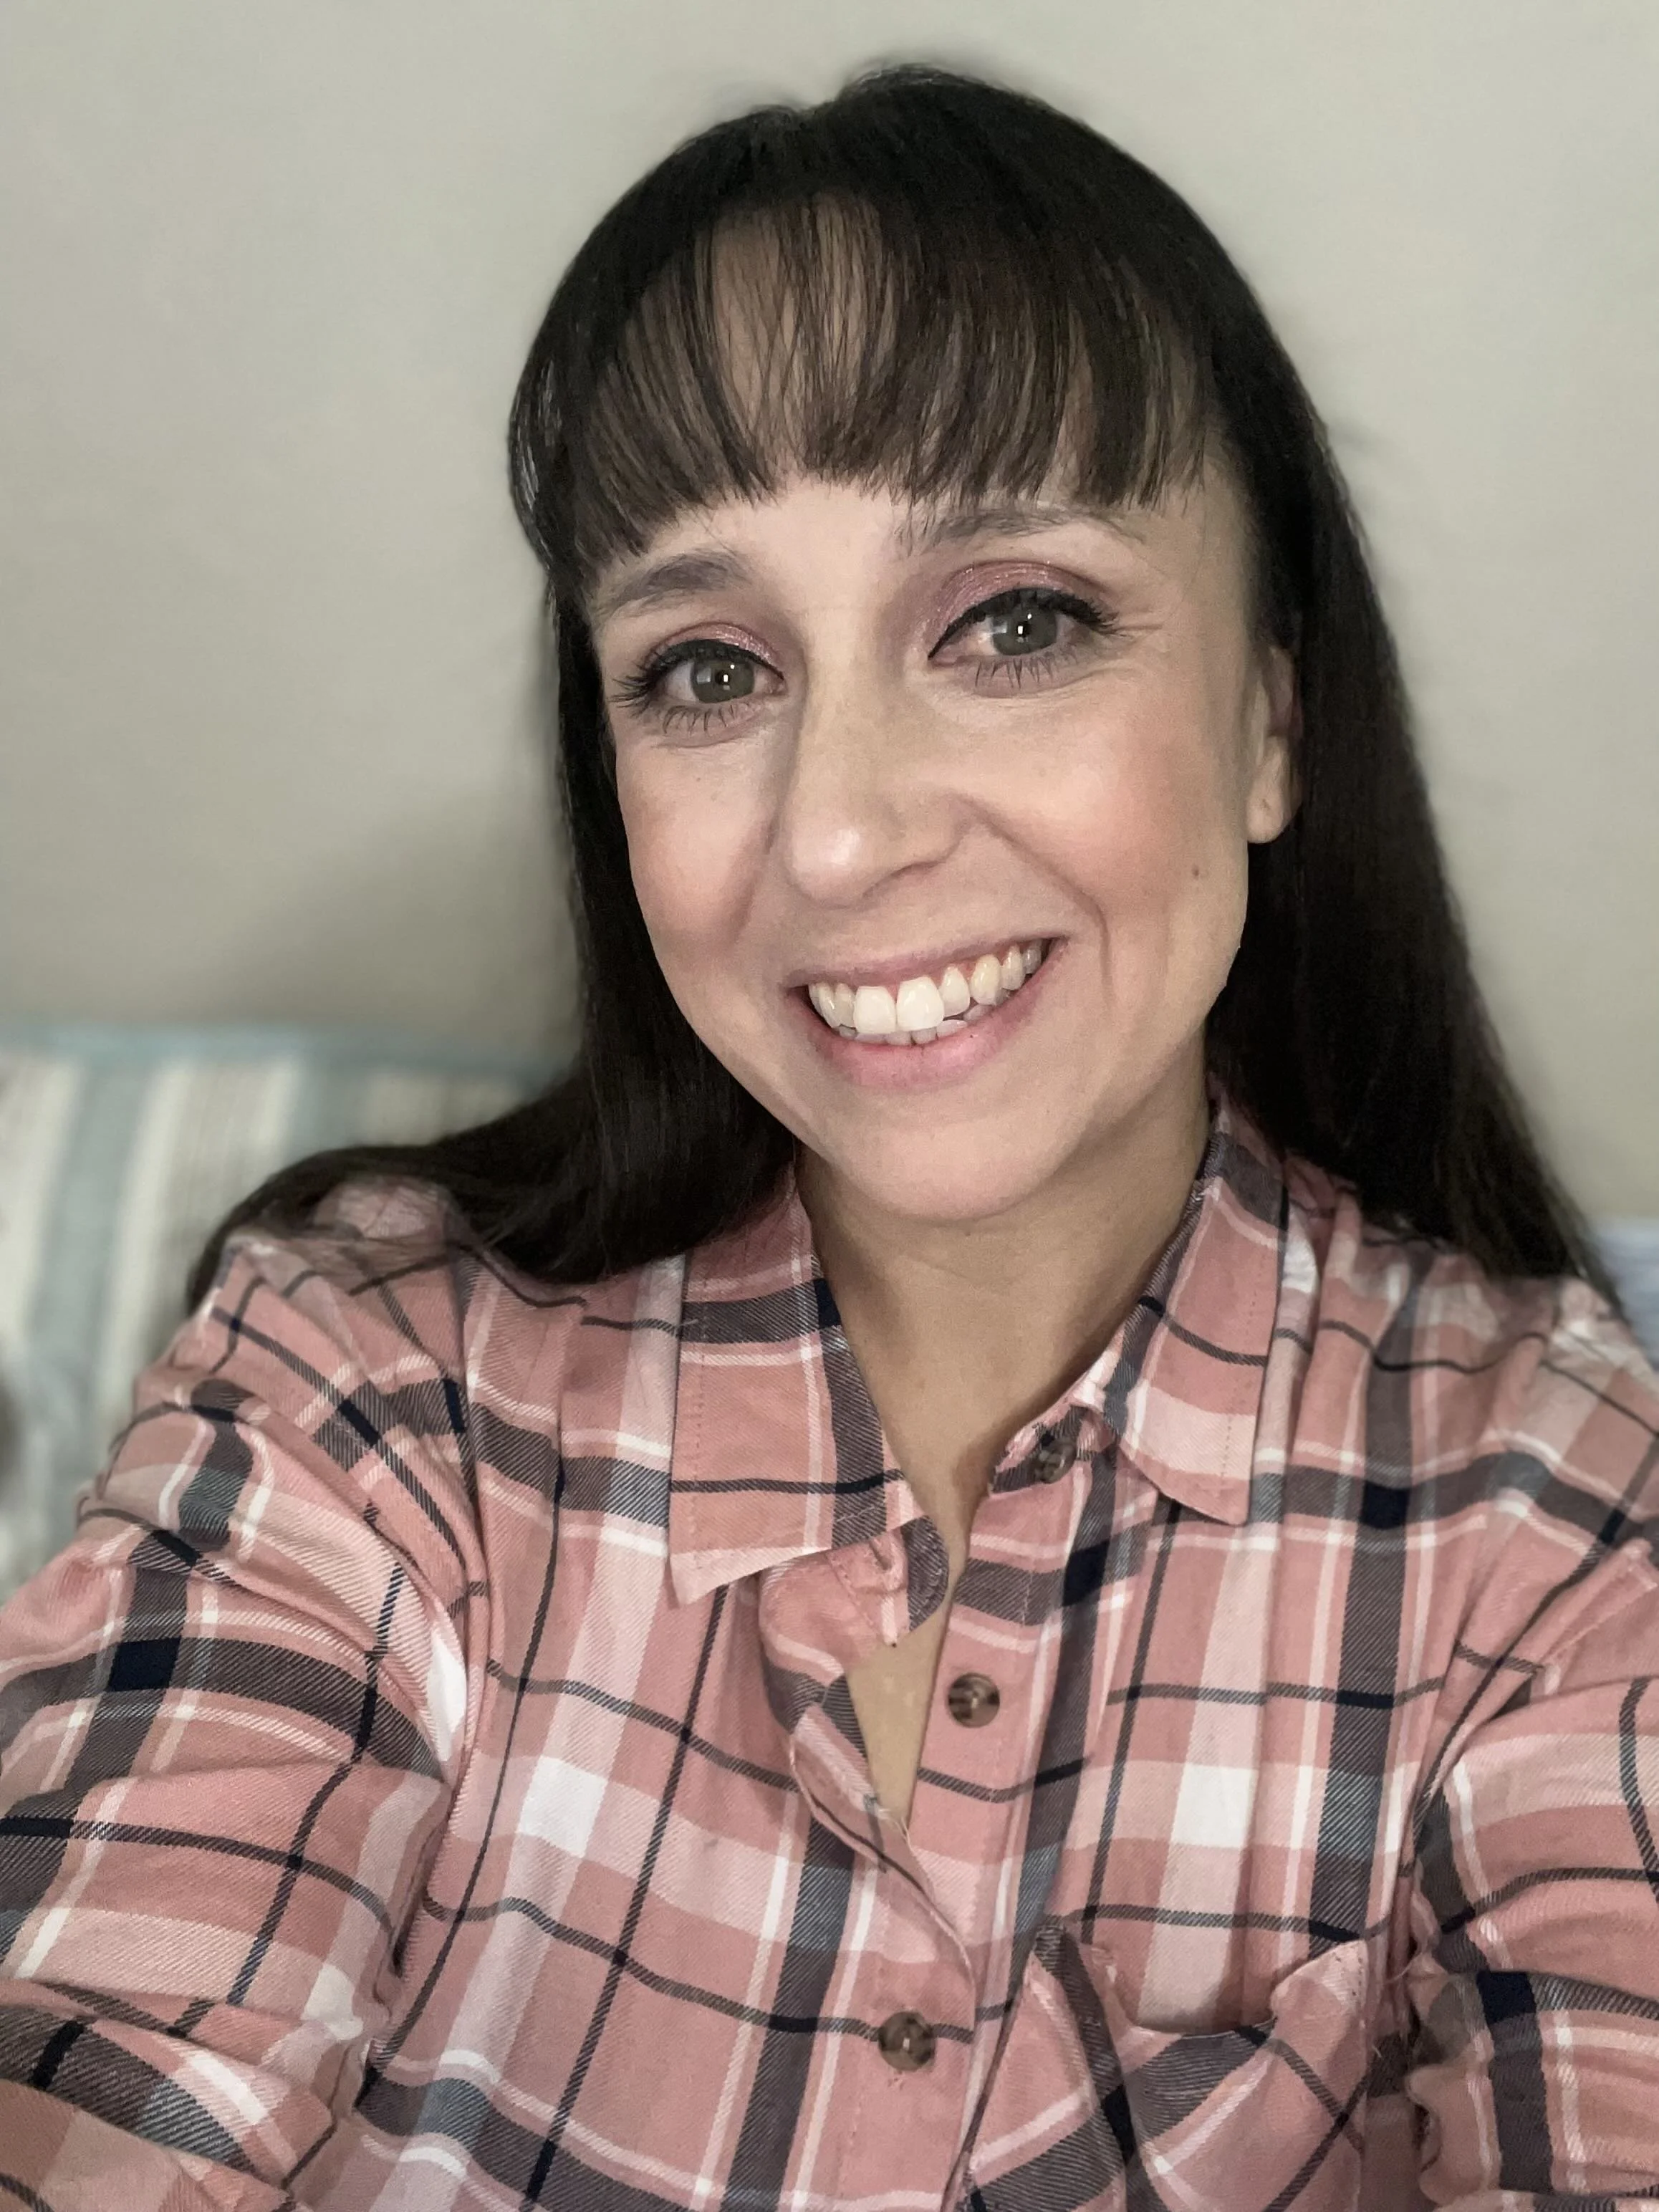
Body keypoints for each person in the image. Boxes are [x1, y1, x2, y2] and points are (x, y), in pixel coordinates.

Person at [1, 62, 1655, 2212]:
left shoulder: (1551, 1516)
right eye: (705, 670)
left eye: (1016, 623)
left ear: (1270, 713)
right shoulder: (359, 1388)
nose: (841, 833)